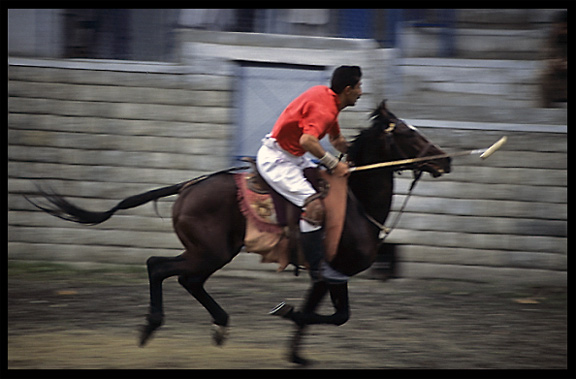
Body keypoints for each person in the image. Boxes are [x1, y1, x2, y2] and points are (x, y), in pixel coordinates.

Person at [257, 66, 362, 320]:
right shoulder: (325, 109)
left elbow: (337, 142)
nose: (361, 92)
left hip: (296, 158)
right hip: (278, 160)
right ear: (347, 90)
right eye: (358, 87)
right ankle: (318, 270)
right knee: (315, 207)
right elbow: (307, 141)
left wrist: (358, 152)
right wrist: (334, 164)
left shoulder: (329, 99)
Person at [540, 10, 567, 108]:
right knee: (544, 75)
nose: (560, 30)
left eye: (564, 28)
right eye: (558, 27)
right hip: (558, 74)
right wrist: (554, 62)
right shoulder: (553, 38)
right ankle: (544, 110)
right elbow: (547, 55)